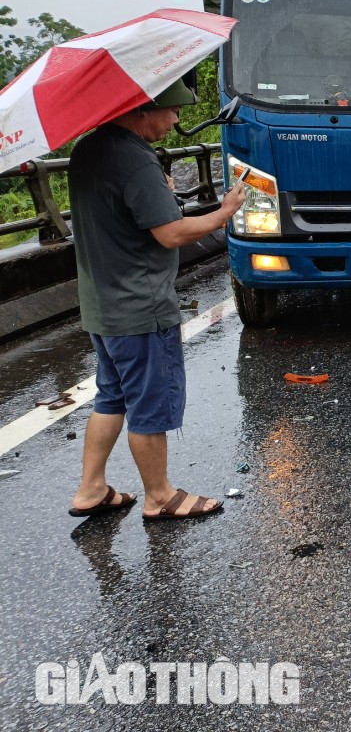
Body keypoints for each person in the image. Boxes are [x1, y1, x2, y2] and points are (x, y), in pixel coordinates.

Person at [67, 79, 246, 521]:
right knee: (150, 405)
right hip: (140, 308)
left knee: (111, 397)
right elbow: (170, 234)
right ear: (143, 109)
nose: (176, 121)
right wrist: (223, 212)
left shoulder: (89, 149)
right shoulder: (134, 161)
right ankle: (160, 496)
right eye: (171, 112)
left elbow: (123, 209)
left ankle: (91, 489)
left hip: (102, 304)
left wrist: (157, 190)